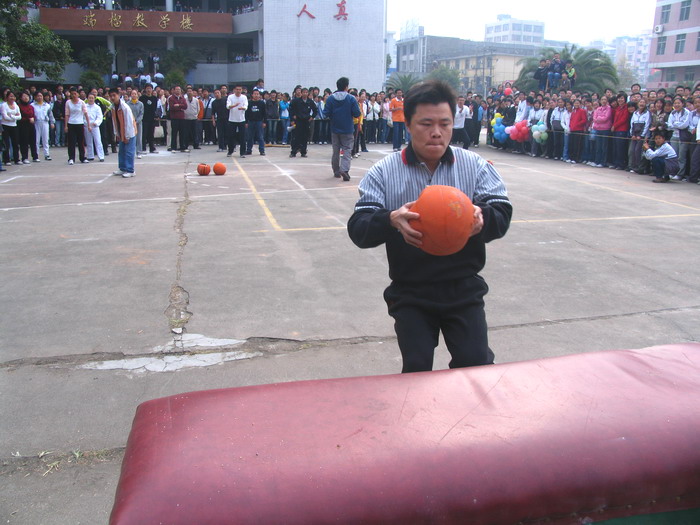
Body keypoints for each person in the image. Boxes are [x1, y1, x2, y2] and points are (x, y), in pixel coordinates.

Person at [347, 80, 512, 373]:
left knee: (475, 364)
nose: (436, 132)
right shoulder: (384, 171)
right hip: (411, 290)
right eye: (426, 124)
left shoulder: (475, 166)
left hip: (463, 287)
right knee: (417, 368)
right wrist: (391, 219)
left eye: (444, 124)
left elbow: (501, 212)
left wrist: (482, 217)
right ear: (408, 125)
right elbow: (359, 228)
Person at [323, 76, 360, 181]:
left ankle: (336, 171)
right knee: (347, 149)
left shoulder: (330, 98)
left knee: (336, 150)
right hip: (347, 128)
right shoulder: (351, 98)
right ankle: (345, 169)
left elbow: (325, 113)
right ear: (346, 87)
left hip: (335, 128)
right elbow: (357, 113)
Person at [108, 87, 137, 178]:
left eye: (114, 95)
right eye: (111, 96)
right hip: (121, 132)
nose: (112, 98)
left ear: (119, 95)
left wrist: (127, 136)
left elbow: (129, 122)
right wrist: (117, 133)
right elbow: (114, 121)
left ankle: (130, 170)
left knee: (129, 152)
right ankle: (123, 168)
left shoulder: (125, 107)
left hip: (129, 132)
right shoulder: (113, 107)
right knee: (122, 151)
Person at [289, 87, 316, 158]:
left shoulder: (310, 101)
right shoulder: (296, 101)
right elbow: (291, 109)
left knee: (305, 137)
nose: (305, 94)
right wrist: (292, 118)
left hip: (306, 121)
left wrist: (312, 117)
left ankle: (303, 152)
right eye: (304, 92)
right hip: (298, 121)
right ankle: (293, 152)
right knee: (296, 137)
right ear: (301, 93)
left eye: (306, 92)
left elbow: (315, 110)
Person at [64, 88, 89, 165]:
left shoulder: (82, 102)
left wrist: (88, 124)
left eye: (75, 93)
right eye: (72, 94)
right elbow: (67, 114)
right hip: (71, 123)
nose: (74, 95)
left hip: (80, 123)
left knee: (81, 142)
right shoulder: (68, 102)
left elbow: (86, 113)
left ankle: (82, 157)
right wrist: (66, 126)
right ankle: (71, 158)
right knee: (71, 142)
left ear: (78, 94)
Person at [31, 91, 54, 161]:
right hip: (36, 123)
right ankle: (36, 155)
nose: (39, 97)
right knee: (36, 139)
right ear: (35, 97)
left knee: (46, 139)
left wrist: (52, 123)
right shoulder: (32, 105)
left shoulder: (47, 105)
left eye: (41, 96)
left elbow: (50, 115)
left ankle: (47, 154)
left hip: (45, 122)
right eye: (38, 96)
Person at [226, 84, 248, 158]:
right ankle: (230, 151)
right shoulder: (230, 97)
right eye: (237, 89)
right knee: (231, 136)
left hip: (241, 120)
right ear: (234, 90)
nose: (238, 91)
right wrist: (234, 105)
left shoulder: (244, 97)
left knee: (242, 137)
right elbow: (228, 106)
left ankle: (242, 152)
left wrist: (243, 108)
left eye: (240, 89)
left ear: (241, 90)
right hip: (232, 119)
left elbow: (246, 106)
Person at [244, 88, 266, 155]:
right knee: (250, 137)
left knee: (260, 137)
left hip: (259, 122)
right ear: (252, 95)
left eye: (257, 94)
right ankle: (249, 150)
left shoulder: (262, 103)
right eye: (255, 94)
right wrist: (246, 122)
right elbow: (246, 113)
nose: (256, 95)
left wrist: (264, 122)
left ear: (259, 95)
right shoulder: (249, 103)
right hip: (251, 122)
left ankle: (262, 150)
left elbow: (264, 113)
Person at [84, 93, 105, 162]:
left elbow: (100, 117)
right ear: (87, 98)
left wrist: (96, 123)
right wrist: (86, 124)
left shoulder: (97, 107)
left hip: (95, 126)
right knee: (88, 141)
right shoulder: (84, 107)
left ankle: (101, 156)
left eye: (92, 98)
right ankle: (90, 155)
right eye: (89, 98)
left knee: (98, 141)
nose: (91, 99)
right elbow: (83, 116)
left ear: (94, 99)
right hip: (87, 126)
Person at [167, 86, 188, 153]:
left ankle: (182, 147)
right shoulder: (171, 98)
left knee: (182, 133)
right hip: (174, 118)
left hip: (182, 118)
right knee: (174, 133)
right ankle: (173, 147)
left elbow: (185, 106)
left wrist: (178, 105)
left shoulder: (183, 98)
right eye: (176, 89)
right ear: (174, 90)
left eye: (179, 89)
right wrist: (181, 107)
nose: (178, 91)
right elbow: (172, 107)